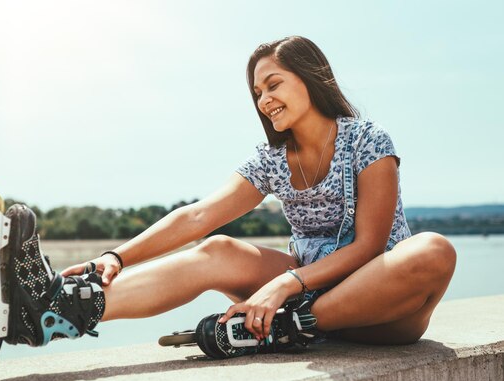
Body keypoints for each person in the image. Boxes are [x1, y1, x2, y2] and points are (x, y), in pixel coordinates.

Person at [51, 35, 457, 355]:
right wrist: (115, 257)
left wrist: (285, 285)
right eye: (257, 92)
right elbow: (198, 216)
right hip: (301, 297)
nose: (264, 101)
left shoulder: (368, 140)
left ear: (311, 77)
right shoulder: (272, 158)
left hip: (379, 306)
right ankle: (67, 308)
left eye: (273, 85)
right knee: (218, 249)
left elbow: (369, 246)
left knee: (434, 250)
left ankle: (281, 326)